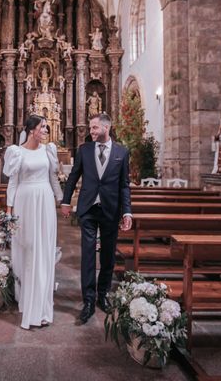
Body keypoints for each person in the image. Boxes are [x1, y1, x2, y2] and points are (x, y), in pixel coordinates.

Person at [61, 113, 132, 324]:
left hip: (111, 209)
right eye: (91, 128)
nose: (90, 131)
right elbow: (73, 176)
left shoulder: (122, 152)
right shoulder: (84, 150)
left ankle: (103, 295)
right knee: (89, 255)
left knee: (108, 256)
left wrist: (127, 211)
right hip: (88, 208)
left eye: (94, 128)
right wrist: (66, 201)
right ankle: (89, 300)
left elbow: (124, 185)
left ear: (106, 128)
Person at [3, 115, 63, 329]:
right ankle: (28, 301)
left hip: (45, 201)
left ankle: (43, 307)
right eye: (42, 127)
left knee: (44, 251)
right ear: (31, 130)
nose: (46, 130)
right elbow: (13, 183)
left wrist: (62, 201)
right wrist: (9, 211)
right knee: (29, 249)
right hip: (25, 202)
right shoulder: (17, 152)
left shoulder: (49, 150)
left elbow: (53, 178)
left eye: (46, 126)